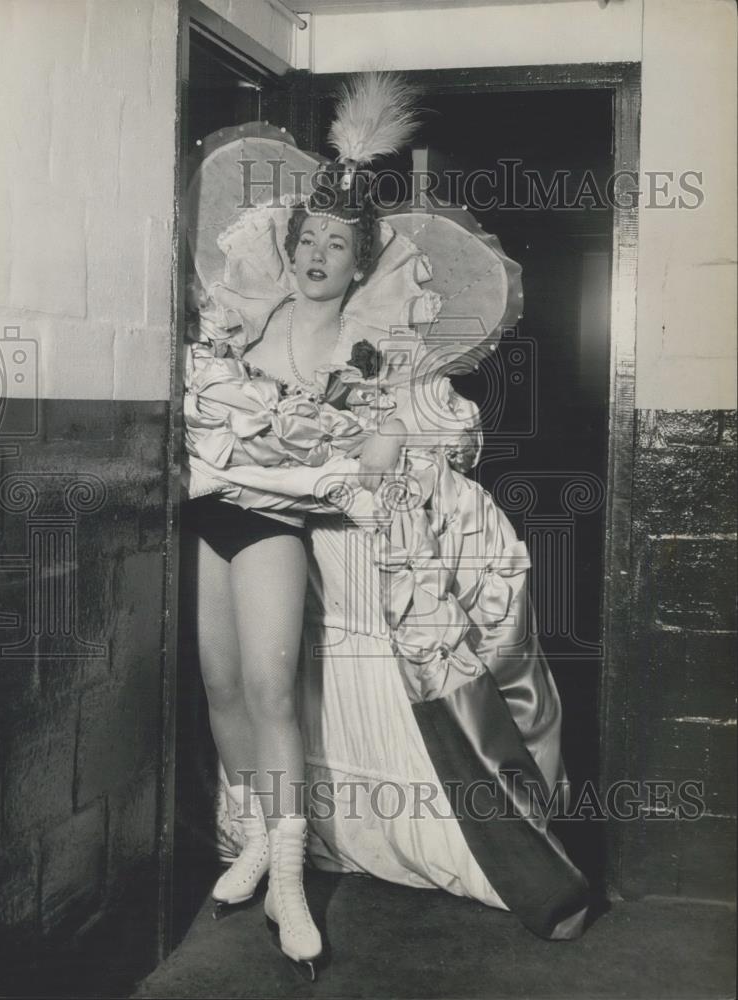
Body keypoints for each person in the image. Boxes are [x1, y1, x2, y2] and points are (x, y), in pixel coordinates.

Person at [182, 73, 590, 966]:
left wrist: (381, 435)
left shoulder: (370, 344)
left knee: (269, 690)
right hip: (212, 511)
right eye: (310, 240)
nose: (320, 254)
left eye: (338, 243)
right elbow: (202, 405)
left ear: (361, 260)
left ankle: (289, 885)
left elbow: (448, 426)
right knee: (219, 690)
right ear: (290, 248)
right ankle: (252, 836)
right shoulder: (243, 321)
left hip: (276, 527)